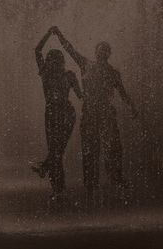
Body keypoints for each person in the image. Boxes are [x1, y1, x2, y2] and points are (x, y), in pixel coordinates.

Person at [51, 26, 137, 202]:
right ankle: (91, 186)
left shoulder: (113, 73)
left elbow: (122, 93)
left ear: (109, 54)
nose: (103, 52)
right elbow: (70, 49)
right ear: (96, 51)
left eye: (106, 50)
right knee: (90, 150)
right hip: (89, 114)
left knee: (113, 147)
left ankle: (116, 179)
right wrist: (59, 34)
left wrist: (132, 107)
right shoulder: (86, 64)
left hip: (106, 114)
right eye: (100, 49)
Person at [32, 28, 82, 200]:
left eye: (55, 61)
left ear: (61, 62)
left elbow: (81, 95)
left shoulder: (69, 75)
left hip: (67, 114)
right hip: (52, 113)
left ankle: (49, 175)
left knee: (57, 149)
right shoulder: (46, 74)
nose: (52, 63)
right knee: (56, 151)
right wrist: (48, 33)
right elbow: (37, 50)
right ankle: (57, 188)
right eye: (50, 61)